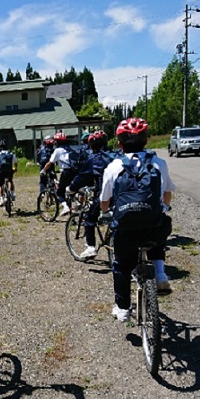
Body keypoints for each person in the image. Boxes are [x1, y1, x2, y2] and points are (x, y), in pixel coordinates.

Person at [100, 118, 175, 322]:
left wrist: (106, 213)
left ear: (119, 144)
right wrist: (164, 207)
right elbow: (167, 194)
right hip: (153, 227)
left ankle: (123, 308)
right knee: (159, 225)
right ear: (146, 140)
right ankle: (160, 273)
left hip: (126, 229)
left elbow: (104, 201)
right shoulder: (159, 163)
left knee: (122, 265)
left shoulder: (113, 167)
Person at [67, 130, 114, 258]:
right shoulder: (116, 155)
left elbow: (82, 177)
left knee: (89, 218)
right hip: (121, 194)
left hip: (104, 196)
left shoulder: (94, 159)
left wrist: (71, 188)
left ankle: (91, 247)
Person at [41, 131, 81, 216]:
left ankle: (65, 207)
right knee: (70, 190)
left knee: (59, 192)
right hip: (75, 171)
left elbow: (50, 163)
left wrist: (43, 170)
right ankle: (74, 206)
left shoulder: (58, 150)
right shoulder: (69, 148)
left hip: (66, 172)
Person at [0, 139, 18, 206]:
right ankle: (12, 194)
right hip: (9, 171)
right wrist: (15, 169)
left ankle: (1, 199)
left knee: (0, 185)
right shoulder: (11, 154)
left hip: (1, 171)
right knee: (10, 181)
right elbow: (15, 163)